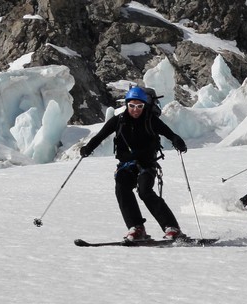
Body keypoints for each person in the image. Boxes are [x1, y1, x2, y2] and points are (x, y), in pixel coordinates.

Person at [79, 86, 188, 241]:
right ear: (127, 105)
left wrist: (177, 141)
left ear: (144, 106)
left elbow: (169, 134)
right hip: (126, 165)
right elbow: (101, 136)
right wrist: (88, 148)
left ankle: (172, 228)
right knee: (121, 187)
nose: (135, 110)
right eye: (132, 106)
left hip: (147, 164)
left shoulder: (151, 120)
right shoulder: (118, 121)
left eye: (139, 106)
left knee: (145, 191)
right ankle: (136, 228)